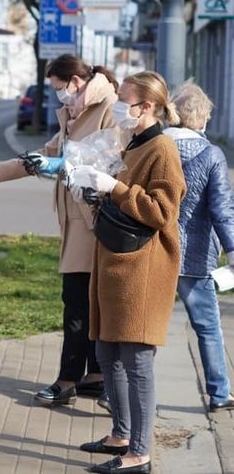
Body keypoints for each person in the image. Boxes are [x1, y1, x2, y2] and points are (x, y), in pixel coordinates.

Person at [0, 54, 119, 406]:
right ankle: (95, 376)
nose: (58, 96)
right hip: (76, 218)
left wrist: (60, 164)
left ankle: (67, 380)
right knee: (84, 301)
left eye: (59, 88)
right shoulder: (75, 113)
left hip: (93, 219)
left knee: (78, 303)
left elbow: (110, 160)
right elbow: (45, 153)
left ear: (77, 81)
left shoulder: (108, 108)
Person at [71, 71, 186, 473]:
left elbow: (162, 212)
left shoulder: (163, 149)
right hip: (117, 264)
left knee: (136, 360)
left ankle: (140, 452)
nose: (119, 104)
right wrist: (97, 188)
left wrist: (115, 188)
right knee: (106, 352)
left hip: (142, 269)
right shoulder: (132, 141)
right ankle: (121, 434)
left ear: (148, 106)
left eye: (125, 99)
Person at [164, 81, 234, 412]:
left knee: (141, 329)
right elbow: (222, 210)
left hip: (154, 250)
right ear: (202, 118)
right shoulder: (211, 155)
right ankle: (219, 394)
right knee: (208, 328)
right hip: (195, 255)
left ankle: (115, 392)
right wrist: (233, 249)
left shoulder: (156, 147)